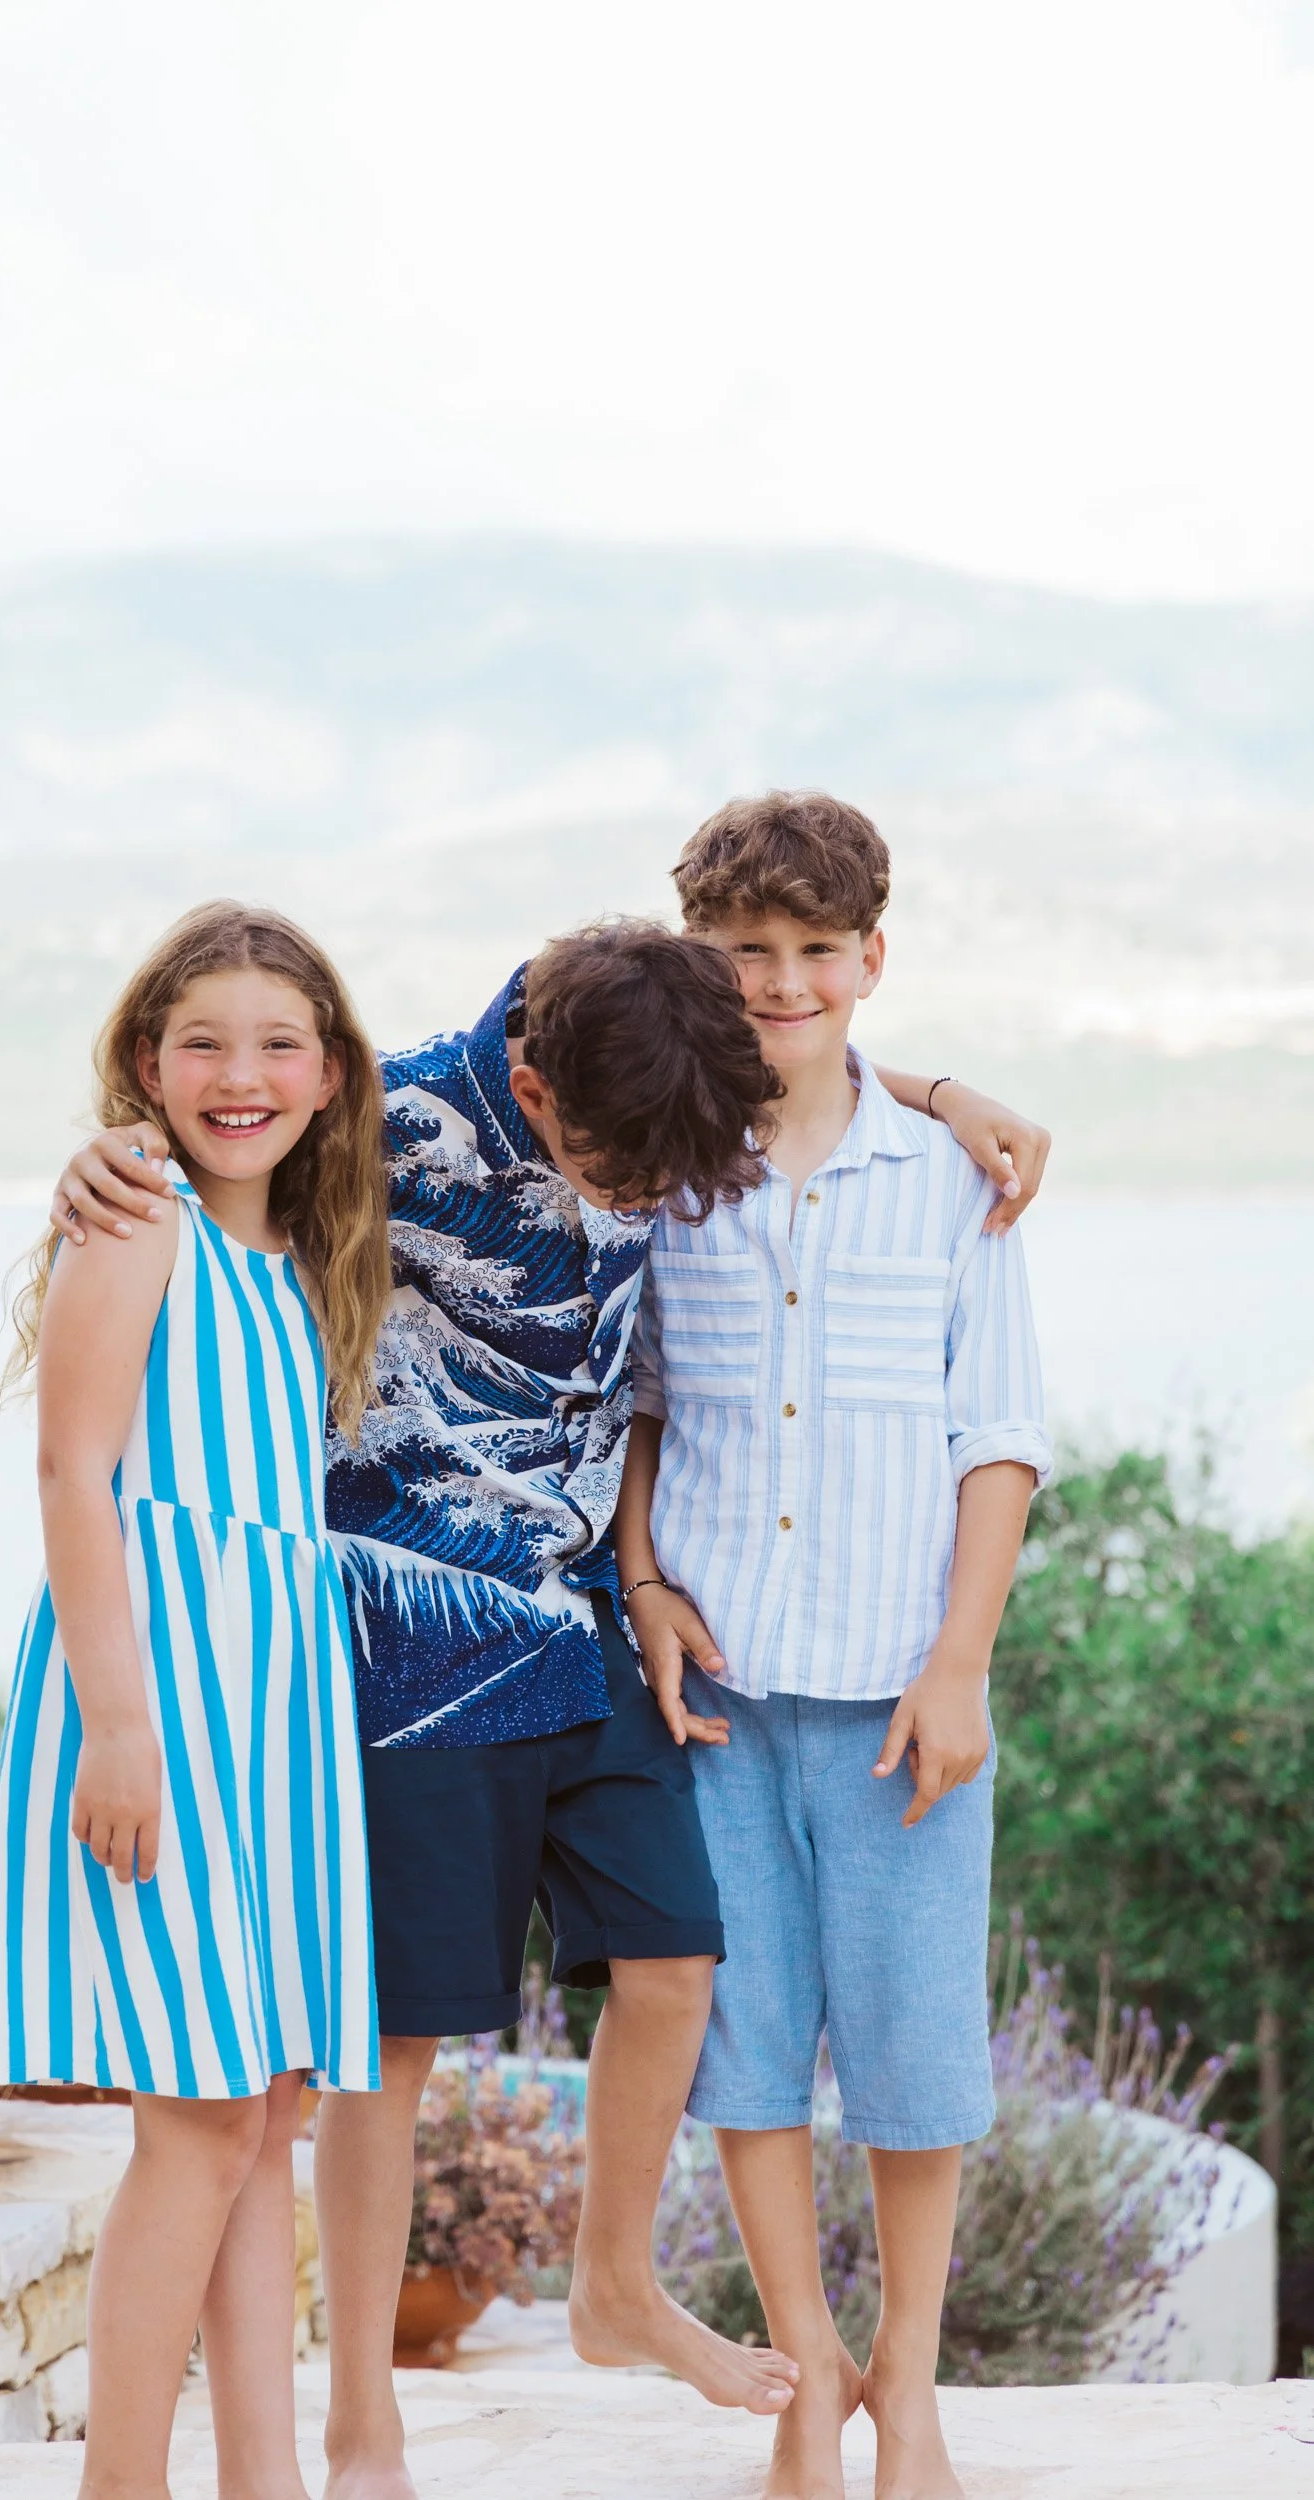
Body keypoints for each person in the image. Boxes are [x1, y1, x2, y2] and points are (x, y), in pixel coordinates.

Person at [54, 909, 1051, 2500]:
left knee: (674, 1963)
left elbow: (796, 1040)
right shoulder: (390, 1121)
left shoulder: (657, 1061)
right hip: (398, 1636)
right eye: (611, 1167)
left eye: (665, 1177)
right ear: (526, 1074)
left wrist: (937, 1095)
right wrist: (96, 1166)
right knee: (393, 2048)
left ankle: (612, 2288)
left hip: (587, 1619)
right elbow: (225, 1128)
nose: (638, 1197)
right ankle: (362, 2424)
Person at [615, 792, 1052, 2500]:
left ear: (873, 960)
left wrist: (960, 1665)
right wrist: (644, 1583)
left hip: (899, 1707)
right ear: (698, 964)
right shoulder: (661, 1173)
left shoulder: (953, 1177)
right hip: (715, 1700)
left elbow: (995, 1436)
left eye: (813, 951)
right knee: (748, 2050)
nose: (779, 980)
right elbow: (636, 1413)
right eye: (743, 953)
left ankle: (914, 2393)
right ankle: (806, 2377)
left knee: (914, 2058)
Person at [0, 902, 390, 2500]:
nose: (239, 1073)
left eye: (279, 1043)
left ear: (332, 1076)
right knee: (197, 2123)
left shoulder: (283, 1260)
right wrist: (123, 1726)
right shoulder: (136, 1216)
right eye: (200, 1040)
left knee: (261, 2114)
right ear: (147, 1062)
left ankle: (261, 2483)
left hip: (274, 1707)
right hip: (158, 1691)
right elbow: (74, 1471)